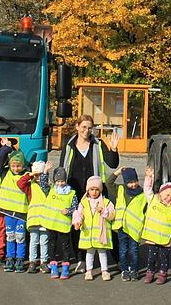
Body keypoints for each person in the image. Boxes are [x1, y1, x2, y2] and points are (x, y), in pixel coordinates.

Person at [60, 115, 120, 273]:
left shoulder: (98, 144)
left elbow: (112, 163)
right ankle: (81, 259)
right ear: (77, 127)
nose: (86, 130)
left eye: (89, 127)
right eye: (84, 127)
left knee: (103, 223)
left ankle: (116, 259)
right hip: (74, 190)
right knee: (78, 224)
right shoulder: (69, 145)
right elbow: (62, 168)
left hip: (95, 193)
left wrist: (113, 149)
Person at [0, 139, 30, 273]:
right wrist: (6, 148)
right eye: (13, 166)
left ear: (23, 165)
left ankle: (20, 258)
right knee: (10, 236)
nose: (15, 168)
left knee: (20, 236)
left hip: (21, 212)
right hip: (8, 212)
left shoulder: (27, 175)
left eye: (18, 166)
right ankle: (10, 257)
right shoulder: (5, 173)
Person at [108, 166, 147, 282]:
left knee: (134, 250)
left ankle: (134, 270)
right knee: (123, 250)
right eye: (130, 182)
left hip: (134, 228)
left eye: (135, 181)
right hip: (122, 227)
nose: (133, 184)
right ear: (125, 182)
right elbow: (109, 183)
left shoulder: (142, 194)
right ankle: (124, 269)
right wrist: (117, 172)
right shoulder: (120, 190)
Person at [72, 175, 115, 281]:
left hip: (100, 234)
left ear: (100, 190)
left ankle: (104, 271)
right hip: (88, 234)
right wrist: (77, 221)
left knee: (102, 253)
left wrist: (104, 211)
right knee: (89, 253)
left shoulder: (106, 202)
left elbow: (112, 214)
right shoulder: (84, 202)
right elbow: (78, 213)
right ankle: (89, 271)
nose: (94, 192)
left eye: (96, 189)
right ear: (88, 190)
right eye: (92, 189)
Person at [141, 167, 171, 285]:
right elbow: (147, 189)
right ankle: (150, 272)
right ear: (161, 194)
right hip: (153, 237)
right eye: (167, 195)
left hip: (165, 238)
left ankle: (162, 274)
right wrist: (149, 177)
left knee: (164, 258)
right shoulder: (153, 200)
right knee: (152, 257)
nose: (169, 198)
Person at [41, 167, 78, 279]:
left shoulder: (71, 193)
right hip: (51, 224)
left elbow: (76, 207)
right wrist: (45, 171)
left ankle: (66, 267)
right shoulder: (51, 190)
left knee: (65, 247)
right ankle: (54, 267)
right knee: (51, 246)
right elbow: (43, 184)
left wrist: (69, 211)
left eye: (62, 181)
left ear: (66, 181)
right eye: (57, 181)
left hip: (63, 225)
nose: (60, 183)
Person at [17, 160, 52, 273]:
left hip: (44, 220)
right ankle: (32, 262)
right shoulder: (30, 186)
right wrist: (30, 174)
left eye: (40, 175)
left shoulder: (48, 186)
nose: (38, 177)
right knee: (33, 241)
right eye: (36, 175)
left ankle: (44, 262)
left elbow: (44, 184)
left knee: (44, 242)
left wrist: (44, 173)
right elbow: (20, 183)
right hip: (33, 220)